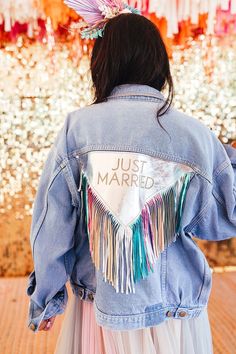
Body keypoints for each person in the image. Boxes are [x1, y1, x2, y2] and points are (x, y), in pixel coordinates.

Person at [26, 2, 236, 354]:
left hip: (99, 310)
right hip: (175, 314)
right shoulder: (194, 135)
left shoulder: (76, 129)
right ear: (159, 62)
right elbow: (223, 218)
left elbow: (52, 223)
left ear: (102, 63)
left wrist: (45, 297)